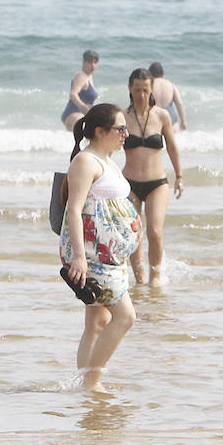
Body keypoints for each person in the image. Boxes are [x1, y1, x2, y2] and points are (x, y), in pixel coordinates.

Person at [59, 103, 141, 393]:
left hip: (110, 258)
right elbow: (74, 210)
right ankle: (92, 382)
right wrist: (79, 258)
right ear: (100, 131)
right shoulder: (86, 162)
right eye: (120, 129)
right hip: (93, 257)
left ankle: (82, 383)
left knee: (97, 322)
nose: (125, 134)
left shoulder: (107, 161)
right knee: (125, 316)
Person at [123, 68, 185, 287]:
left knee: (155, 232)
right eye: (137, 90)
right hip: (128, 184)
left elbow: (172, 148)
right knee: (134, 234)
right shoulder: (122, 117)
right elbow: (107, 149)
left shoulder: (161, 115)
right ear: (130, 88)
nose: (141, 95)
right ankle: (140, 282)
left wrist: (179, 176)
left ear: (151, 90)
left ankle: (155, 279)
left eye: (145, 90)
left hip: (157, 183)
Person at [61, 50, 99, 130]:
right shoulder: (81, 76)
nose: (92, 65)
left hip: (82, 114)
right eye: (90, 62)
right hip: (73, 113)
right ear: (84, 62)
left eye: (95, 63)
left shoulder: (89, 77)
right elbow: (73, 94)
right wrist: (83, 106)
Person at [148, 62, 188, 130]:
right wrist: (183, 121)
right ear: (162, 73)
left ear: (150, 73)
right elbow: (179, 104)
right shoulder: (171, 85)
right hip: (170, 118)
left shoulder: (149, 86)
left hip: (154, 118)